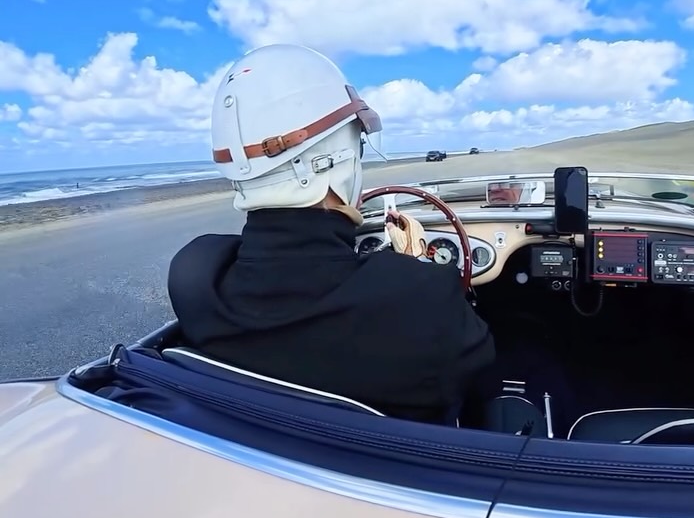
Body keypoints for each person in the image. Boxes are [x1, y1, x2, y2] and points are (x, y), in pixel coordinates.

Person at [168, 44, 497, 424]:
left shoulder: (195, 277)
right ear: (335, 161)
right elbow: (482, 380)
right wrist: (416, 265)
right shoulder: (421, 295)